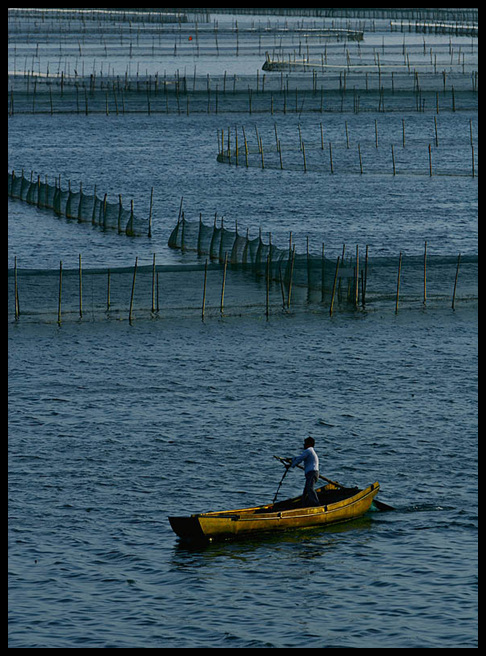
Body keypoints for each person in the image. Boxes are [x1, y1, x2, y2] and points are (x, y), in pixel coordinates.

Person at [290, 437, 320, 507]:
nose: (304, 445)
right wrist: (292, 460)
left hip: (312, 473)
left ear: (309, 444)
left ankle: (316, 504)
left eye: (305, 443)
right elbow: (298, 458)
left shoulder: (308, 450)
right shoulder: (310, 451)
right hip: (312, 473)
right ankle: (304, 505)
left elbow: (300, 458)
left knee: (310, 489)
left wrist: (292, 465)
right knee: (306, 491)